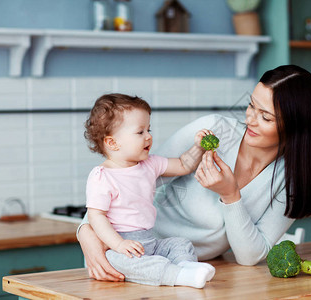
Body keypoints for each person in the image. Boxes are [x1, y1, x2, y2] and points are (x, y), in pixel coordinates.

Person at [78, 65, 311, 282]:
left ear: (297, 126)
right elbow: (126, 175)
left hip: (193, 271)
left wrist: (231, 195)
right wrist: (86, 232)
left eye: (265, 117)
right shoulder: (213, 130)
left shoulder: (292, 179)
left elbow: (249, 257)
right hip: (133, 253)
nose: (251, 119)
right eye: (251, 106)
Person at [83, 93, 215, 288]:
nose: (149, 136)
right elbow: (96, 217)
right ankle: (178, 276)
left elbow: (183, 165)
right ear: (112, 143)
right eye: (140, 132)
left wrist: (198, 147)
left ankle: (186, 268)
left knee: (180, 243)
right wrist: (119, 244)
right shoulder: (102, 176)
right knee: (117, 261)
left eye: (149, 129)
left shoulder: (149, 164)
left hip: (150, 241)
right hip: (120, 246)